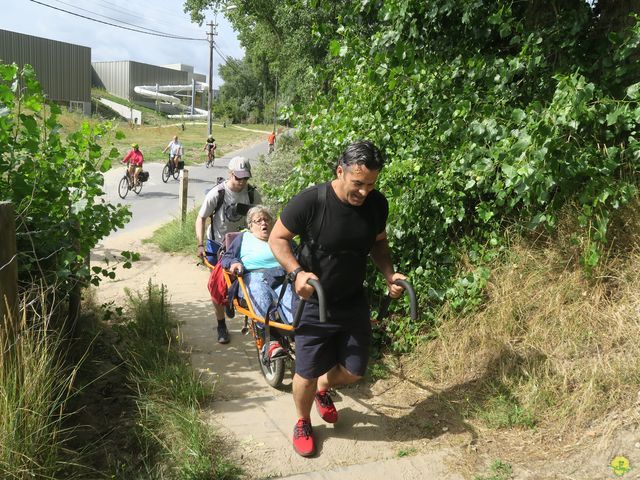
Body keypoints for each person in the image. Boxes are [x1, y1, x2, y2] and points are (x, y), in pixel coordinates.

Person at [268, 140, 406, 457]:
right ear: (340, 171)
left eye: (371, 184)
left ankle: (323, 386)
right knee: (304, 372)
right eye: (358, 184)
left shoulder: (376, 204)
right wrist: (296, 272)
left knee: (355, 370)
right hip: (314, 301)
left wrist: (389, 274)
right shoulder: (311, 201)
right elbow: (277, 238)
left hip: (352, 299)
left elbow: (379, 244)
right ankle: (303, 421)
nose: (364, 192)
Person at [195, 156, 262, 344]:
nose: (241, 182)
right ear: (230, 174)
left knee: (246, 279)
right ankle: (221, 324)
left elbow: (260, 217)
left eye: (245, 178)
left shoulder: (252, 194)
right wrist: (200, 245)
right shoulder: (217, 194)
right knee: (217, 286)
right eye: (238, 177)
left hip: (242, 244)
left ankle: (239, 306)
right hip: (217, 245)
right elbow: (201, 218)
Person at [221, 205, 298, 359]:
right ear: (250, 226)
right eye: (258, 221)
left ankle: (298, 338)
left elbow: (298, 254)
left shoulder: (280, 237)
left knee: (292, 303)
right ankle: (270, 341)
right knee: (258, 291)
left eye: (267, 219)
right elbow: (227, 257)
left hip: (282, 276)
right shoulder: (243, 238)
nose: (264, 223)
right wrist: (234, 264)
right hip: (253, 276)